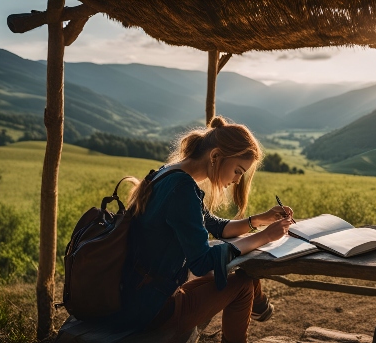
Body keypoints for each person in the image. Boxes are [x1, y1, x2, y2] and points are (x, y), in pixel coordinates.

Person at [119, 116, 294, 343]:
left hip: (135, 292)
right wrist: (265, 236)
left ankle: (259, 307)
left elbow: (218, 227)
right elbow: (201, 263)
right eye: (238, 171)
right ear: (215, 156)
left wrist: (262, 219)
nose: (237, 180)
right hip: (149, 308)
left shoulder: (170, 174)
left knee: (241, 265)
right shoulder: (182, 190)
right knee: (242, 284)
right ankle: (258, 308)